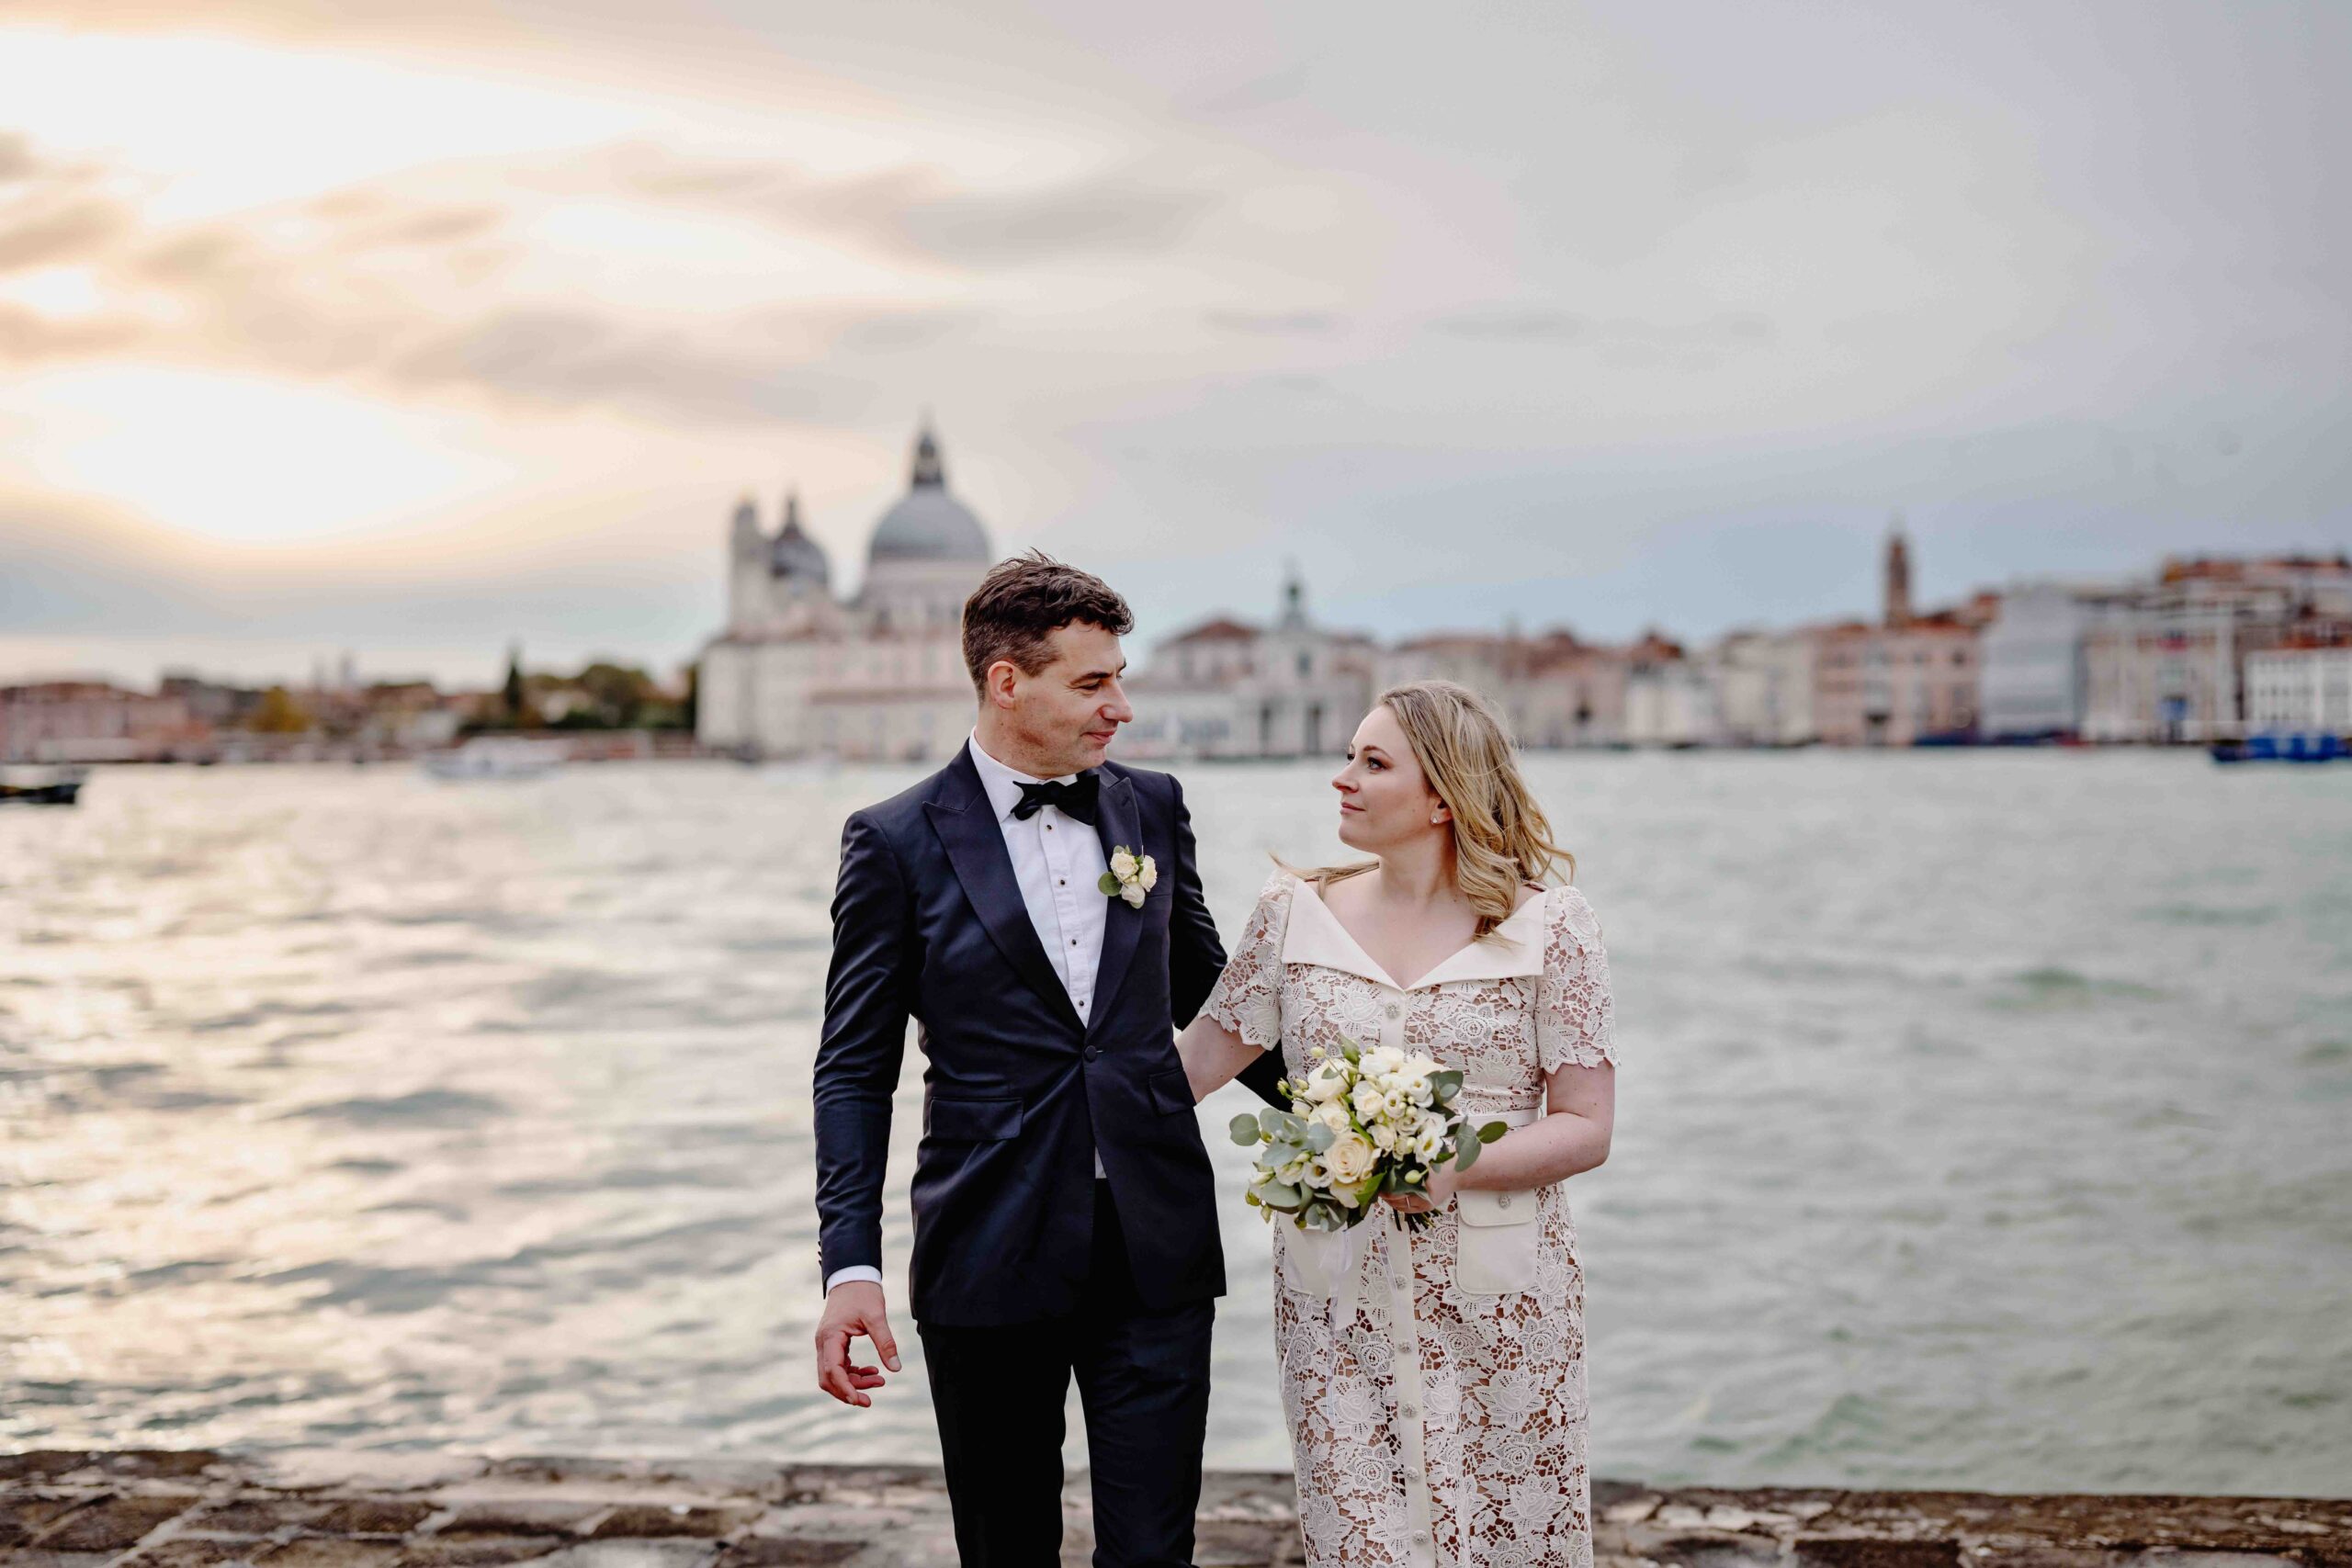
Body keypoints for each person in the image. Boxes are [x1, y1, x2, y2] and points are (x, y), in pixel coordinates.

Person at [810, 550, 1287, 1568]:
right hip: (989, 1240)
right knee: (1005, 1547)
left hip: (1153, 1238)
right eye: (1092, 682)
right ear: (1006, 681)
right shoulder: (893, 840)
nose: (1119, 706)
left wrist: (1360, 1133)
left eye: (1120, 677)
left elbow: (1215, 994)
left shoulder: (1152, 806)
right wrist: (849, 1263)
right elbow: (855, 1068)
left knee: (1155, 1552)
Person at [1175, 679, 1620, 1568]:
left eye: (1372, 763)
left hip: (1504, 1315)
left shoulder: (1548, 928)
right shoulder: (1289, 918)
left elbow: (1586, 1125)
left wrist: (1458, 1166)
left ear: (1442, 800)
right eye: (1347, 755)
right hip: (1335, 1309)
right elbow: (1178, 1078)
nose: (1342, 778)